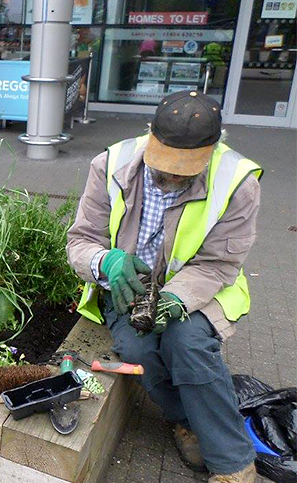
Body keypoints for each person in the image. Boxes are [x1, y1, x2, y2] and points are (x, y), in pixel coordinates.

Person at [67, 90, 261, 483]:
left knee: (186, 343)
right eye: (165, 166)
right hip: (128, 286)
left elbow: (219, 263)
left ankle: (234, 464)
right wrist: (107, 260)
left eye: (183, 170)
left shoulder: (237, 182)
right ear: (150, 137)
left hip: (203, 287)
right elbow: (80, 241)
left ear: (213, 149)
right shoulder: (112, 164)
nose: (171, 178)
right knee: (139, 349)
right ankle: (186, 420)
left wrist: (176, 299)